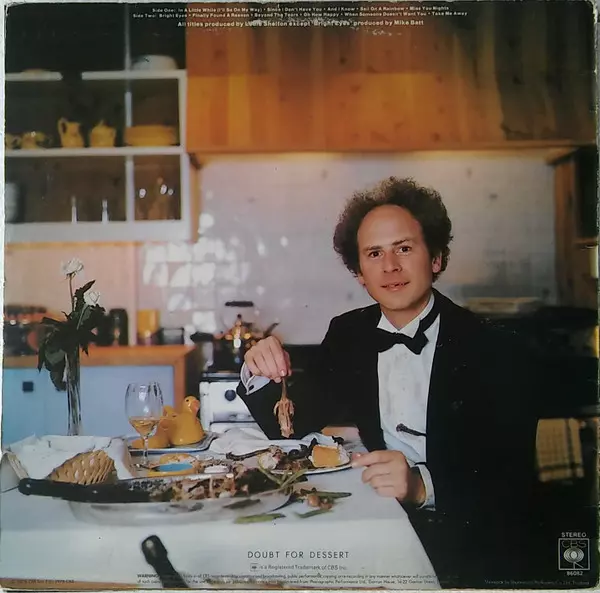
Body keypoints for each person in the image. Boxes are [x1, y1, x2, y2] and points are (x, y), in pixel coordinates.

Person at [237, 177, 541, 588]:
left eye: (404, 248)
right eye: (374, 254)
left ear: (436, 258)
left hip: (473, 544)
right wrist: (258, 368)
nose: (390, 267)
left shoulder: (495, 345)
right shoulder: (349, 333)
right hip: (378, 527)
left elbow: (512, 477)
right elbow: (291, 426)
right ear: (360, 274)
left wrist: (420, 487)